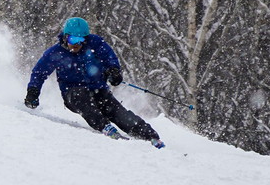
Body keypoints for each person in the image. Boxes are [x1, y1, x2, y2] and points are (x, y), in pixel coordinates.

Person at [23, 17, 165, 148]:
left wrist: (114, 71)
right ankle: (105, 127)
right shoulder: (56, 52)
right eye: (73, 40)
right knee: (83, 99)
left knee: (116, 111)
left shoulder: (95, 44)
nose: (76, 45)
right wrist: (33, 92)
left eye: (80, 40)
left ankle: (149, 136)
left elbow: (110, 57)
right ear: (66, 37)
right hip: (72, 93)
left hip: (98, 90)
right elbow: (39, 73)